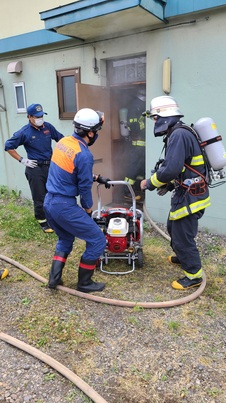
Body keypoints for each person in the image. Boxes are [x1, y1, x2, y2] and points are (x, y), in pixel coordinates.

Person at [141, 95, 211, 290]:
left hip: (191, 196)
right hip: (188, 192)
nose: (155, 122)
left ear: (164, 115)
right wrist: (171, 185)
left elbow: (171, 168)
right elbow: (183, 168)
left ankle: (193, 275)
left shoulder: (179, 135)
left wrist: (150, 183)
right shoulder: (179, 132)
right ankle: (183, 257)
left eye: (155, 118)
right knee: (173, 227)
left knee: (182, 236)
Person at [44, 108, 111, 293]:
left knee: (65, 238)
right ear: (90, 133)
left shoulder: (64, 142)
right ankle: (84, 284)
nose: (96, 134)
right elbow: (84, 189)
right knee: (97, 240)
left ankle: (53, 279)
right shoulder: (84, 154)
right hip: (64, 206)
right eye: (96, 131)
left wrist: (96, 177)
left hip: (49, 203)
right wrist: (88, 211)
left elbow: (71, 170)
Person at [4, 103, 64, 233]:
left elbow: (61, 139)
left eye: (41, 115)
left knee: (53, 193)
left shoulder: (48, 127)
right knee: (40, 196)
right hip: (35, 168)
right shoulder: (24, 132)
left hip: (49, 166)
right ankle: (42, 221)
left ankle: (53, 217)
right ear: (29, 117)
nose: (40, 118)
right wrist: (22, 160)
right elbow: (8, 146)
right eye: (37, 116)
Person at [123, 86, 146, 201]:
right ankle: (127, 192)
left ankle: (137, 188)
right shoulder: (136, 105)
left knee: (141, 168)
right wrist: (143, 130)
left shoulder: (142, 104)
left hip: (143, 143)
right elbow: (133, 124)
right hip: (137, 142)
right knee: (133, 167)